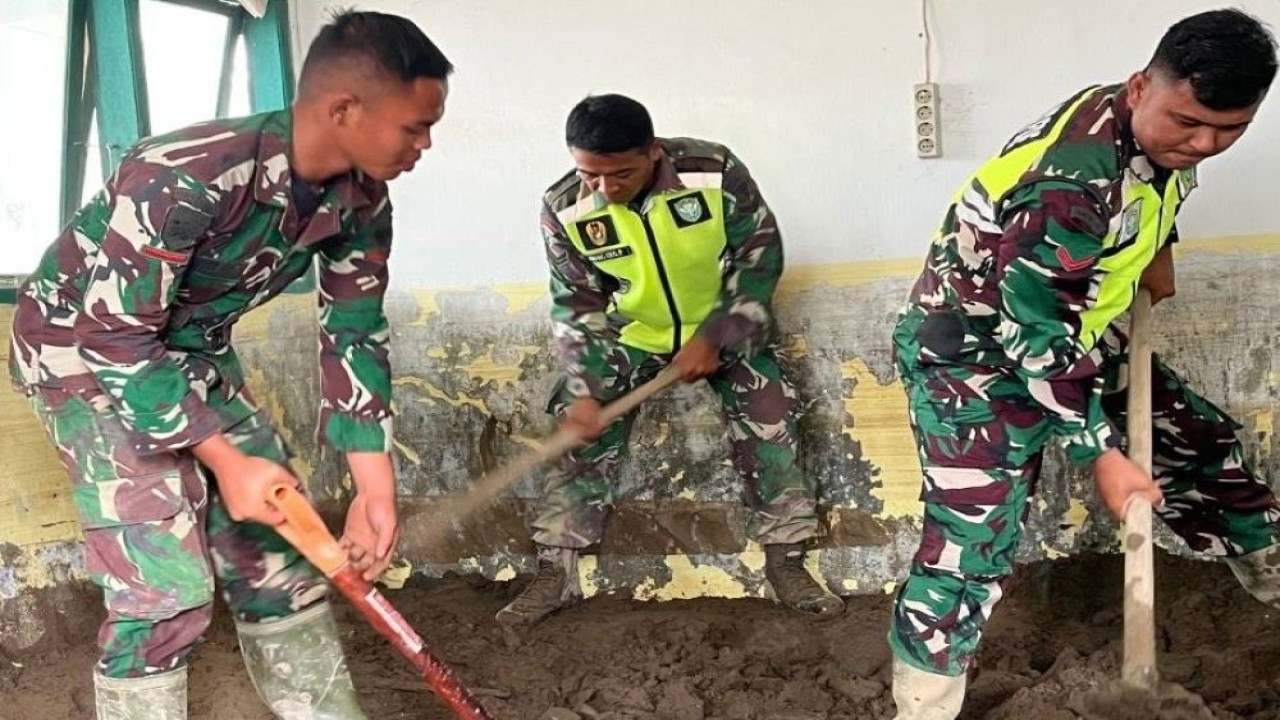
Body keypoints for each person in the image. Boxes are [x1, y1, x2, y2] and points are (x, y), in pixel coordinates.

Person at [8, 10, 451, 719]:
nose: (427, 144)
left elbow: (355, 332)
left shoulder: (363, 199)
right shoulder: (181, 172)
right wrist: (224, 459)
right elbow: (116, 339)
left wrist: (376, 485)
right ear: (344, 108)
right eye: (415, 126)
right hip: (80, 355)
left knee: (285, 548)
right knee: (166, 585)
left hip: (185, 352)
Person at [888, 9, 1280, 718]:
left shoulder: (1154, 137)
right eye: (1189, 122)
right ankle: (924, 706)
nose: (1204, 143)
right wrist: (1099, 450)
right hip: (975, 354)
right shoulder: (1068, 185)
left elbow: (1146, 201)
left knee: (1196, 445)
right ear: (1140, 87)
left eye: (1231, 130)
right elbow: (1032, 342)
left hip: (1074, 330)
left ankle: (1270, 577)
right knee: (973, 535)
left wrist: (1156, 251)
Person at [496, 93, 844, 629]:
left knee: (770, 407)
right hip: (634, 334)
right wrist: (586, 389)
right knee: (575, 421)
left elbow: (759, 256)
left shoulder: (713, 172)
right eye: (591, 175)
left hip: (722, 327)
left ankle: (787, 559)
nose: (605, 190)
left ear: (654, 153)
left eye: (621, 174)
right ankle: (555, 568)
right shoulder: (564, 206)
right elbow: (577, 303)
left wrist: (715, 335)